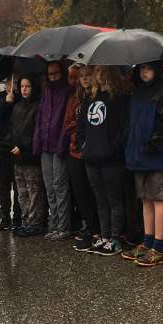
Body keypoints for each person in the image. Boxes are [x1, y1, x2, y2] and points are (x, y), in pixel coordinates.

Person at [123, 62, 163, 267]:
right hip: (138, 154)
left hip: (155, 154)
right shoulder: (137, 92)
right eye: (142, 68)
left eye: (149, 68)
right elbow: (130, 123)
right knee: (145, 199)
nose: (145, 72)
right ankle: (147, 241)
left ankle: (159, 247)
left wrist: (152, 145)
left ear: (157, 69)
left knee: (158, 198)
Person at [79, 65, 129, 257]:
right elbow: (82, 126)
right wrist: (84, 145)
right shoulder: (89, 98)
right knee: (100, 200)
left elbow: (123, 129)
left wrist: (114, 148)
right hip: (92, 157)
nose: (99, 75)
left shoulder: (119, 99)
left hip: (112, 160)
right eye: (97, 72)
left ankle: (115, 238)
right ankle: (105, 235)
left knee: (114, 199)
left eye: (103, 71)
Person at [34, 60, 73, 240]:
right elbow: (40, 118)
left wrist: (62, 145)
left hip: (59, 146)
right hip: (45, 145)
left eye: (56, 73)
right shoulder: (46, 91)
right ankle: (55, 223)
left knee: (60, 186)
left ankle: (63, 226)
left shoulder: (67, 91)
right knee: (50, 187)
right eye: (50, 74)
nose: (53, 77)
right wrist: (38, 143)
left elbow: (67, 120)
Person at [6, 74, 46, 237]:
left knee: (33, 190)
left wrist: (22, 146)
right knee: (22, 192)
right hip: (17, 156)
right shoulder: (17, 106)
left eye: (27, 86)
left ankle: (35, 222)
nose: (24, 89)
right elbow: (12, 128)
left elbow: (35, 132)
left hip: (30, 155)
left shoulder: (37, 106)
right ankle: (26, 220)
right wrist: (11, 144)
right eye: (22, 86)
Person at [64, 65, 99, 250]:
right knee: (80, 193)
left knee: (94, 193)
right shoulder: (74, 100)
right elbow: (67, 124)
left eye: (88, 75)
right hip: (74, 151)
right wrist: (80, 126)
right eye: (81, 76)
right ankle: (89, 228)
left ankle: (97, 231)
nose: (84, 79)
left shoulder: (98, 98)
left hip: (93, 151)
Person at [0, 76, 18, 231]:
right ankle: (5, 216)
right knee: (3, 184)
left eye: (12, 82)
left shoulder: (21, 97)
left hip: (15, 145)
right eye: (7, 82)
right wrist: (6, 102)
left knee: (18, 184)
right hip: (0, 144)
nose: (10, 85)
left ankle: (18, 217)